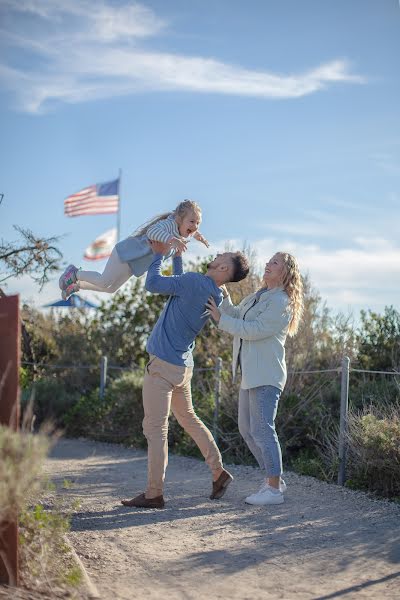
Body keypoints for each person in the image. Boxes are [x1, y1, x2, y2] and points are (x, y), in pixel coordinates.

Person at [121, 243, 250, 509]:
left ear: (224, 268)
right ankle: (218, 472)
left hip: (162, 365)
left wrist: (158, 253)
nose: (215, 256)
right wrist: (177, 258)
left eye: (220, 256)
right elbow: (180, 288)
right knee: (189, 418)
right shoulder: (216, 294)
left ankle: (154, 493)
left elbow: (154, 284)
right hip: (182, 366)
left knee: (155, 429)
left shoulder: (195, 282)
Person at [205, 252, 303, 506]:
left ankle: (272, 489)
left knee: (262, 429)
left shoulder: (282, 301)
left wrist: (220, 320)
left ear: (286, 273)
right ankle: (274, 480)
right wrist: (223, 291)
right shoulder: (257, 296)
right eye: (269, 261)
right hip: (249, 375)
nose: (268, 265)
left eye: (275, 263)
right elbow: (236, 314)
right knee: (247, 430)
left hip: (266, 375)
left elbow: (255, 331)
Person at [58, 199, 209, 300]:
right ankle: (75, 273)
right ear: (179, 218)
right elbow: (152, 232)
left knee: (111, 289)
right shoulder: (168, 226)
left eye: (198, 223)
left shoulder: (180, 236)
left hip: (133, 265)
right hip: (127, 253)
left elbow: (191, 231)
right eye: (192, 221)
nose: (195, 226)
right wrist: (172, 240)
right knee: (104, 281)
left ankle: (76, 286)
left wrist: (198, 236)